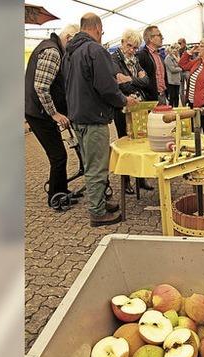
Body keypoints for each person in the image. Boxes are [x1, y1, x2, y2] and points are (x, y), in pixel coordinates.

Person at [62, 13, 139, 226]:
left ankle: (100, 203)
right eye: (102, 32)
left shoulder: (70, 52)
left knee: (90, 164)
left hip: (77, 116)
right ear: (97, 28)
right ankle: (97, 212)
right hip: (93, 117)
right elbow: (107, 87)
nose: (101, 35)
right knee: (97, 167)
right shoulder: (95, 50)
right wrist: (124, 100)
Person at [25, 31, 80, 210]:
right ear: (68, 38)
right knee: (58, 156)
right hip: (38, 113)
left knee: (58, 155)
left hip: (37, 111)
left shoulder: (51, 47)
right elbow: (41, 87)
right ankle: (55, 198)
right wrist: (54, 113)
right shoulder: (52, 52)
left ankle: (61, 191)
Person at [111, 29, 150, 195]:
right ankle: (126, 180)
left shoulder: (135, 59)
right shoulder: (114, 59)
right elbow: (121, 84)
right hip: (122, 107)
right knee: (125, 143)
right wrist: (137, 80)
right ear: (122, 42)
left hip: (138, 105)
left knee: (141, 140)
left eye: (135, 47)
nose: (132, 50)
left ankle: (140, 178)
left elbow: (146, 81)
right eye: (129, 46)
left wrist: (131, 80)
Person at [137, 26, 167, 105]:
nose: (162, 37)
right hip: (150, 99)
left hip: (162, 97)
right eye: (159, 35)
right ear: (150, 38)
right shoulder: (142, 55)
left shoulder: (158, 55)